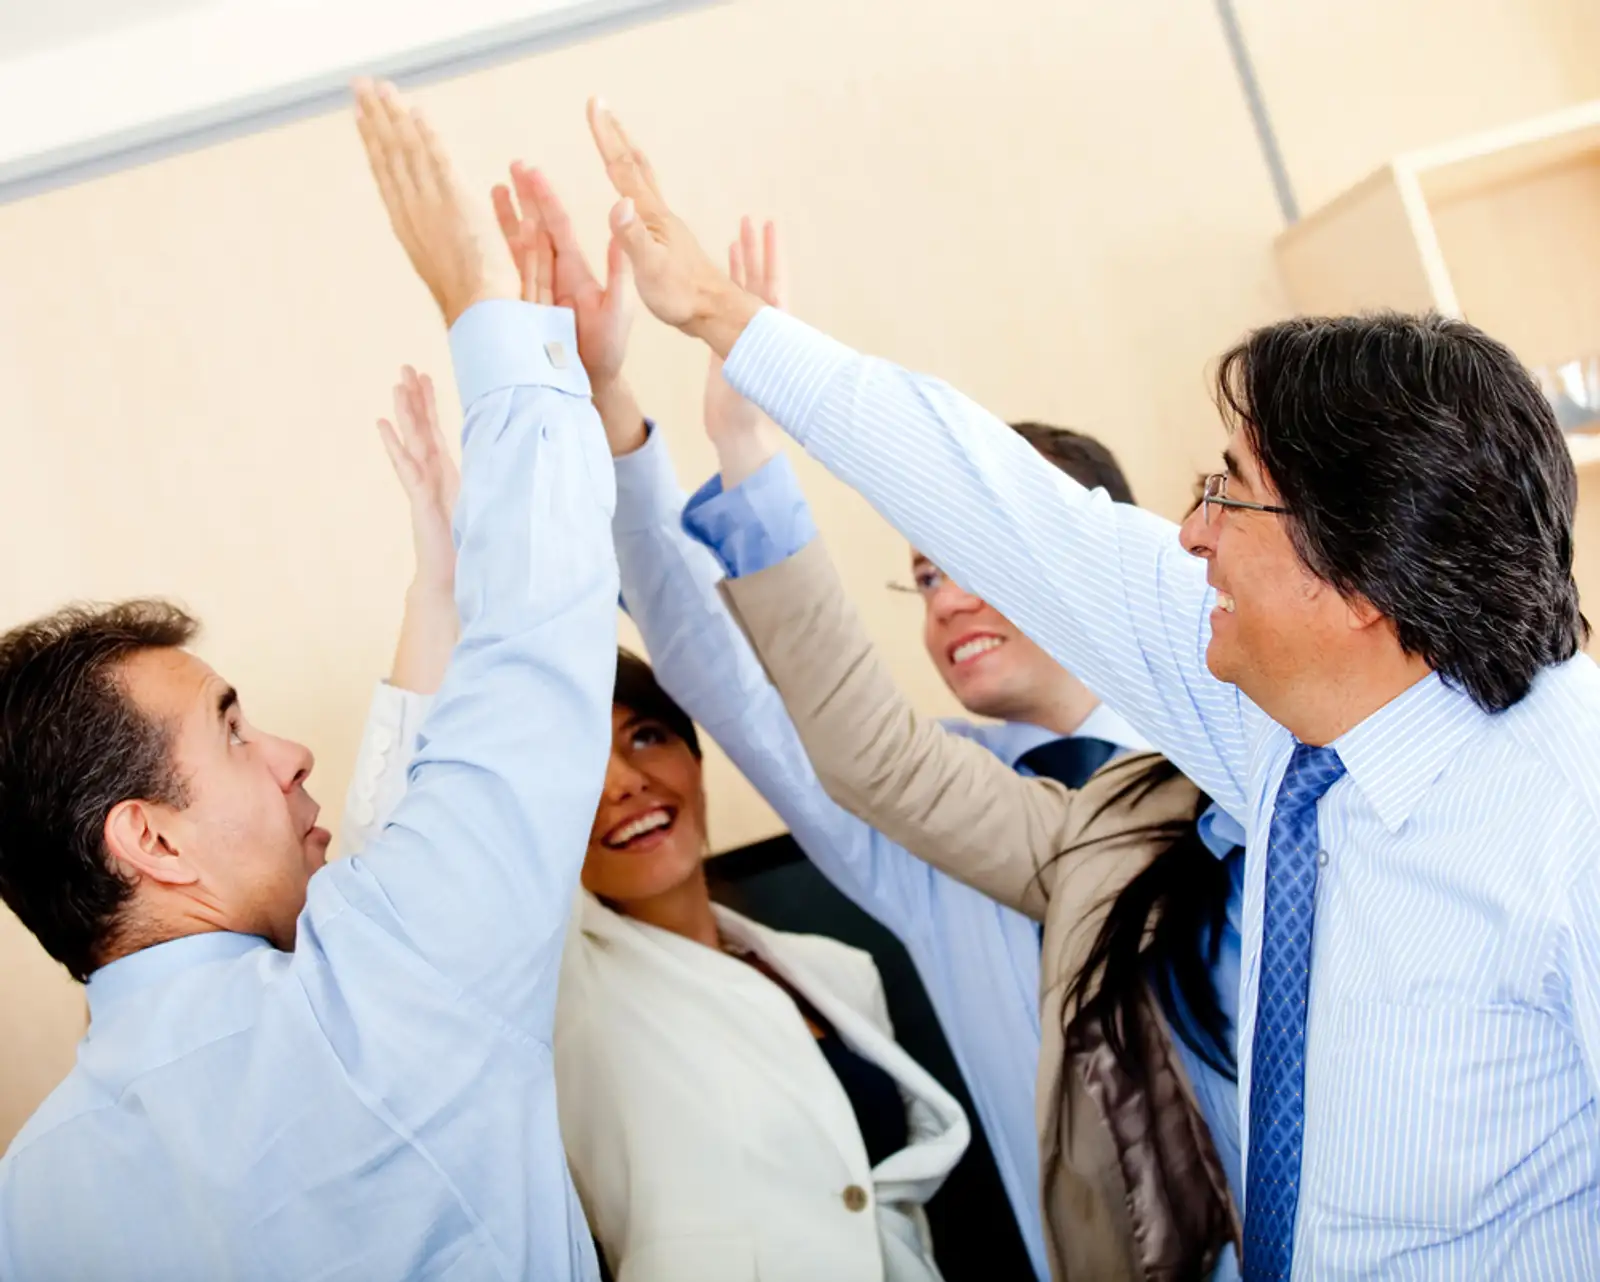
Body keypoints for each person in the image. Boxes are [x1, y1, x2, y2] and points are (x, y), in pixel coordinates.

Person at [586, 101, 1600, 1280]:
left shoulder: (1566, 809)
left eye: (1231, 494)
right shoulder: (1279, 725)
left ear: (1360, 568)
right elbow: (1004, 505)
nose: (1189, 534)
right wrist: (722, 316)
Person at [0, 81, 618, 1281]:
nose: (291, 753)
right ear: (152, 842)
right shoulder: (381, 994)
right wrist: (478, 305)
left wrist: (431, 580)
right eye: (233, 734)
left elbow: (389, 831)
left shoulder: (33, 1194)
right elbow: (538, 650)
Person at [343, 352, 968, 1280]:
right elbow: (400, 868)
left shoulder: (839, 973)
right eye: (577, 775)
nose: (624, 785)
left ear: (695, 752)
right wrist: (441, 582)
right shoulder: (557, 995)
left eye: (643, 740)